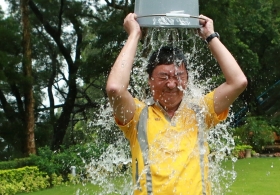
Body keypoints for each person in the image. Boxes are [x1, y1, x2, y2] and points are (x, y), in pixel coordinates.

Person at [106, 13, 247, 195]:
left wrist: (210, 36)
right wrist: (134, 35)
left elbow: (238, 82)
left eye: (178, 76)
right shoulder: (138, 115)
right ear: (150, 80)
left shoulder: (200, 111)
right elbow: (115, 88)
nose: (172, 84)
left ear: (187, 78)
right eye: (163, 77)